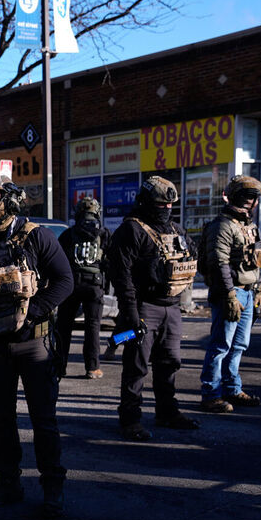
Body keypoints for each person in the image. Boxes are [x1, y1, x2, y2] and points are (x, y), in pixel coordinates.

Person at [0, 175, 72, 519]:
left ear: (9, 197)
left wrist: (35, 311)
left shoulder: (38, 235)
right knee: (2, 421)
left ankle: (52, 488)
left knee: (44, 421)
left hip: (34, 345)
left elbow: (65, 281)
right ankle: (8, 483)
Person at [107, 176, 201, 441]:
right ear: (146, 202)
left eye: (170, 205)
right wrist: (132, 316)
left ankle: (168, 412)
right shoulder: (132, 230)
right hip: (143, 306)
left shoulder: (176, 230)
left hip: (171, 308)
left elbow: (191, 259)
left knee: (169, 363)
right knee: (137, 367)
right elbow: (121, 277)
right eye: (161, 204)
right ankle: (130, 420)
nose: (166, 209)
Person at [197, 175, 261, 413]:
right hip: (230, 292)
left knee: (239, 346)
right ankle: (211, 394)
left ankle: (232, 389)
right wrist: (229, 295)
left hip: (247, 291)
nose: (251, 202)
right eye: (247, 196)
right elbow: (218, 263)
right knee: (220, 346)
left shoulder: (249, 226)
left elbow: (256, 261)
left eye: (254, 198)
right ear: (235, 196)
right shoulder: (222, 225)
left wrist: (257, 288)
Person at [53, 196, 110, 379]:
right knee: (93, 327)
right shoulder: (104, 234)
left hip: (71, 286)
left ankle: (59, 368)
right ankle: (92, 367)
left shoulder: (69, 234)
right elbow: (110, 262)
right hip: (94, 285)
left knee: (63, 328)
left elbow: (57, 261)